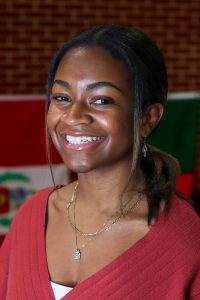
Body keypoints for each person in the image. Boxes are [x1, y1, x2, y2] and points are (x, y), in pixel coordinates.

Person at [0, 24, 200, 300]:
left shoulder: (185, 243)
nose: (74, 116)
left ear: (148, 118)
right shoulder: (33, 215)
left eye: (101, 99)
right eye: (61, 97)